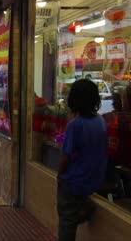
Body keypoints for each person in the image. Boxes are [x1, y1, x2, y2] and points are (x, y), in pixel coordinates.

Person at [57, 79, 108, 241]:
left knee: (66, 220)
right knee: (72, 213)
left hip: (74, 181)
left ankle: (81, 209)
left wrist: (60, 173)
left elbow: (66, 156)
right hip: (94, 179)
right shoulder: (100, 121)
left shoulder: (75, 125)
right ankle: (85, 208)